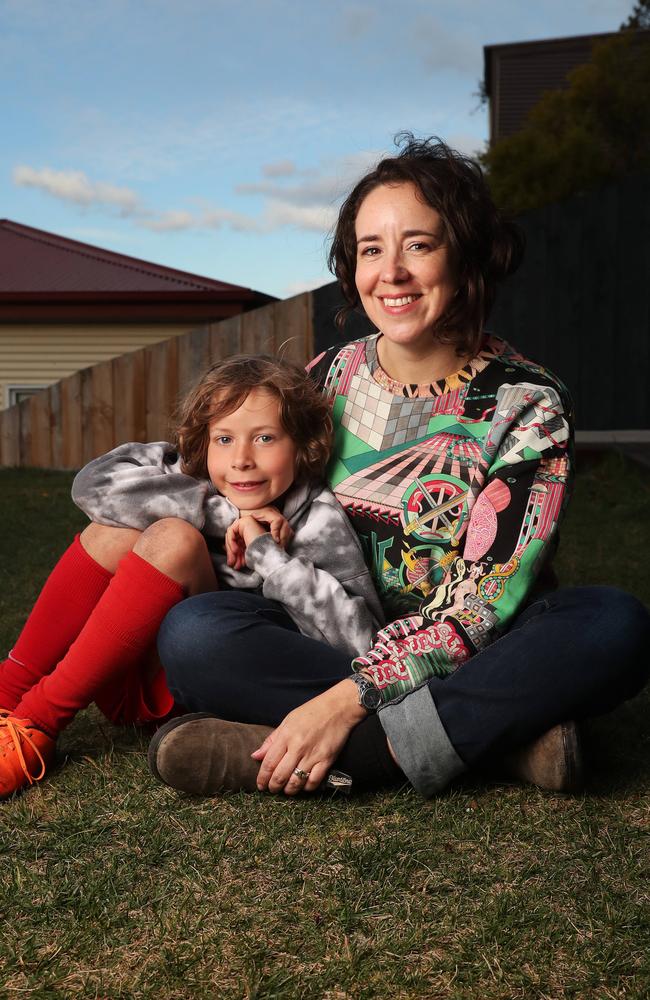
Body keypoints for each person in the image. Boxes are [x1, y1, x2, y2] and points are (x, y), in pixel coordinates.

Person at [146, 134, 650, 800]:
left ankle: (354, 753)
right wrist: (250, 507)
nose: (392, 273)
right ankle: (503, 745)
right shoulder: (326, 376)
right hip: (331, 635)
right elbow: (253, 460)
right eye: (371, 250)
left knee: (613, 624)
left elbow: (481, 604)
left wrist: (347, 701)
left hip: (479, 644)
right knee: (195, 635)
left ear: (465, 254)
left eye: (419, 244)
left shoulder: (527, 404)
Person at [0, 356, 383, 798]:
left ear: (301, 446)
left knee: (176, 538)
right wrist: (229, 514)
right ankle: (9, 691)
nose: (241, 459)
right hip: (121, 668)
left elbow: (361, 644)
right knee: (110, 532)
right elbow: (92, 486)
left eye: (264, 438)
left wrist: (264, 551)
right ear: (204, 443)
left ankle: (37, 723)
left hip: (200, 684)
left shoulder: (318, 521)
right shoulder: (187, 472)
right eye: (224, 438)